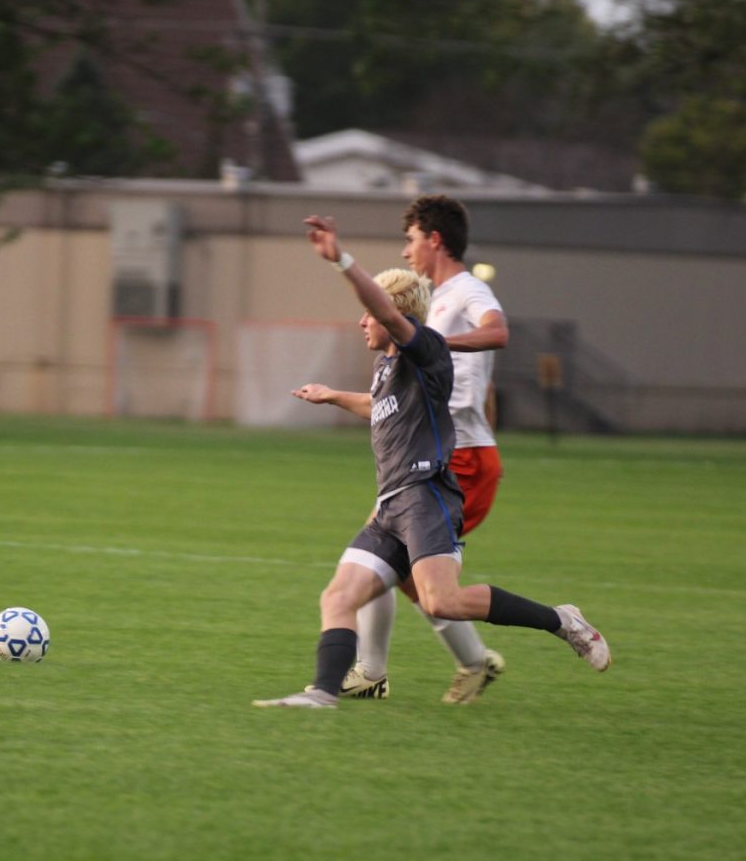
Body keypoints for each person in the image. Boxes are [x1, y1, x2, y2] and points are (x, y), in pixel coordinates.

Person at [253, 215, 610, 709]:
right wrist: (333, 396)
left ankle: (561, 619)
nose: (361, 321)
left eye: (370, 314)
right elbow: (379, 409)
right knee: (337, 597)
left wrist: (342, 261)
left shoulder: (423, 352)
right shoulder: (388, 367)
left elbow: (380, 304)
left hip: (426, 498)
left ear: (394, 316)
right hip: (391, 505)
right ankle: (322, 694)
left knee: (442, 600)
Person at [341, 194, 509, 704]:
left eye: (411, 239)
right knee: (395, 567)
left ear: (434, 239)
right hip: (435, 448)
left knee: (393, 567)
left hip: (457, 458)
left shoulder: (465, 290)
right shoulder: (435, 297)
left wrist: (436, 342)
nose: (407, 250)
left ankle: (383, 669)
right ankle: (456, 662)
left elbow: (497, 331)